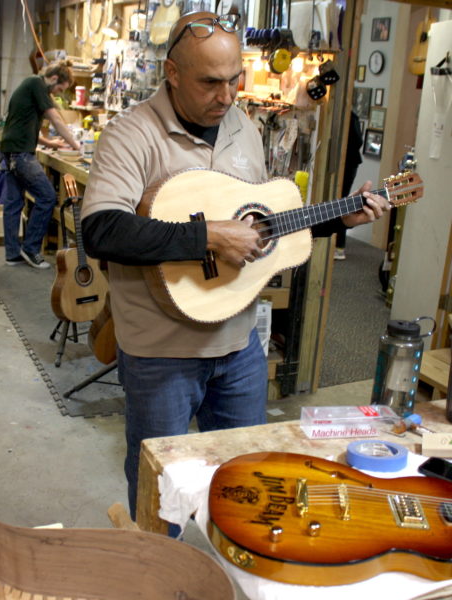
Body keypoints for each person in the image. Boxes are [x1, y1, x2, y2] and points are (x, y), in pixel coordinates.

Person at [81, 11, 390, 525]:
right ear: (173, 74)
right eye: (210, 82)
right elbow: (101, 231)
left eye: (234, 79)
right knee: (162, 504)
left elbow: (259, 224)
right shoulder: (129, 134)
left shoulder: (242, 125)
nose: (225, 95)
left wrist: (340, 218)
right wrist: (206, 236)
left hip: (240, 347)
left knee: (250, 487)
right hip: (162, 357)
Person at [0, 60, 80, 269]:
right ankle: (31, 249)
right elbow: (55, 118)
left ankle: (12, 254)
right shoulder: (36, 83)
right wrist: (76, 146)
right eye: (58, 89)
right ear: (53, 79)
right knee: (47, 197)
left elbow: (24, 123)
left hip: (11, 151)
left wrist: (50, 143)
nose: (55, 95)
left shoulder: (30, 86)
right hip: (21, 154)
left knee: (14, 204)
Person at [334, 110, 364, 260]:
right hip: (346, 163)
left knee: (343, 205)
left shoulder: (350, 117)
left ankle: (339, 246)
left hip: (348, 164)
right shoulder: (348, 116)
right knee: (339, 205)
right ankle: (338, 245)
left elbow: (358, 141)